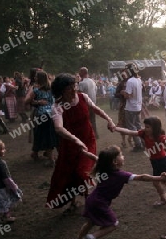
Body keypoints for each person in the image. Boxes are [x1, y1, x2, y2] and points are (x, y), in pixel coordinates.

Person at [71, 146, 166, 239]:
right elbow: (143, 177)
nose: (123, 156)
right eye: (121, 155)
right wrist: (160, 178)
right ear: (114, 161)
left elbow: (96, 158)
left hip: (92, 200)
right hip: (99, 203)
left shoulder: (104, 168)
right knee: (113, 224)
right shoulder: (121, 175)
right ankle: (91, 238)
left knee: (91, 222)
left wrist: (84, 152)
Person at [46, 73, 115, 213]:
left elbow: (96, 109)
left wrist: (109, 120)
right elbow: (58, 128)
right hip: (70, 145)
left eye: (74, 85)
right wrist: (75, 140)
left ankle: (91, 201)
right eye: (69, 88)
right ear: (61, 90)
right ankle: (73, 201)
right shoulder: (57, 107)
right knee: (69, 173)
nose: (74, 89)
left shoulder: (83, 97)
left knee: (83, 171)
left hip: (88, 140)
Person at [114, 116, 166, 206]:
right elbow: (130, 132)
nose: (145, 128)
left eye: (148, 127)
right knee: (164, 181)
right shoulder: (143, 134)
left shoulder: (160, 137)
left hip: (163, 161)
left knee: (158, 182)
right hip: (155, 161)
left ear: (155, 128)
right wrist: (115, 128)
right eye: (145, 126)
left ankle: (165, 198)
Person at [24, 70, 57, 166]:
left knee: (41, 135)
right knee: (47, 135)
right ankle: (35, 153)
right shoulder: (52, 89)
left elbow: (26, 101)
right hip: (51, 114)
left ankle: (51, 159)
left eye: (36, 77)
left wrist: (37, 102)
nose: (34, 78)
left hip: (40, 115)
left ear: (39, 79)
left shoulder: (36, 90)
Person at [122, 63, 144, 152]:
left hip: (131, 107)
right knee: (138, 125)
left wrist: (123, 92)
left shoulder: (130, 81)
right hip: (138, 106)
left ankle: (138, 145)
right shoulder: (139, 79)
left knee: (132, 127)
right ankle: (143, 142)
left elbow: (128, 95)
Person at [78, 67, 99, 139]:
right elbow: (95, 90)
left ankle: (88, 135)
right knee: (93, 120)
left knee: (86, 120)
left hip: (86, 104)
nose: (79, 74)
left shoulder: (82, 83)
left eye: (80, 72)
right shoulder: (92, 81)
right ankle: (95, 134)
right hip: (93, 103)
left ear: (82, 73)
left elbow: (79, 93)